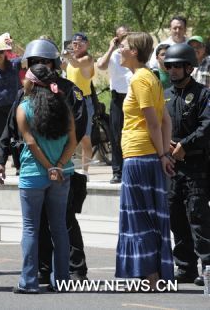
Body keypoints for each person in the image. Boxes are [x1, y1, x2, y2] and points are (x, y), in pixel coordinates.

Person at [0, 38, 89, 283]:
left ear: (54, 63)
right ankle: (43, 270)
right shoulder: (23, 97)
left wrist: (58, 162)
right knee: (42, 225)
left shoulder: (69, 92)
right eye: (34, 62)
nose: (39, 66)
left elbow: (76, 133)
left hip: (57, 167)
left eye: (43, 62)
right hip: (45, 168)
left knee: (65, 221)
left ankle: (74, 269)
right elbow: (10, 130)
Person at [6, 64, 76, 293]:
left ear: (33, 83)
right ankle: (62, 280)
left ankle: (28, 281)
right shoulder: (64, 107)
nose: (22, 82)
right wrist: (58, 166)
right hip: (62, 175)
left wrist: (48, 168)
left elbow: (31, 142)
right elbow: (72, 141)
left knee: (30, 229)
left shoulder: (23, 108)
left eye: (25, 79)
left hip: (33, 175)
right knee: (59, 228)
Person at [116, 32, 174, 288]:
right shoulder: (150, 78)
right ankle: (153, 273)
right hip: (147, 154)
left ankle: (150, 276)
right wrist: (163, 153)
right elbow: (165, 120)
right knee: (150, 215)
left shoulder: (140, 79)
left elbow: (155, 121)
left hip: (139, 155)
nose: (119, 48)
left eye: (124, 46)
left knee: (138, 217)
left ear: (135, 52)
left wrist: (162, 154)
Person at [163, 43, 210, 286]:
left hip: (196, 167)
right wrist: (166, 147)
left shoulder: (203, 94)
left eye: (177, 66)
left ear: (189, 67)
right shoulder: (165, 95)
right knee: (176, 218)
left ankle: (208, 268)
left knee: (198, 218)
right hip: (172, 167)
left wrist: (185, 146)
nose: (172, 70)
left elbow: (207, 126)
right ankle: (185, 267)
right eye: (168, 65)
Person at [96, 26, 132, 183]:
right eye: (121, 37)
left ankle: (130, 170)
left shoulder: (133, 53)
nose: (124, 39)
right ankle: (117, 171)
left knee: (132, 134)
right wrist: (111, 47)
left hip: (133, 96)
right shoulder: (113, 55)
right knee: (116, 135)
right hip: (118, 98)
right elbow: (101, 65)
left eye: (127, 36)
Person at [62, 32, 95, 176]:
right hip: (70, 101)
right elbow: (63, 66)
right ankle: (67, 168)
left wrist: (67, 56)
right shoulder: (71, 60)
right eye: (74, 44)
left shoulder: (87, 59)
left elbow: (76, 64)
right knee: (68, 136)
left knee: (85, 138)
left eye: (81, 44)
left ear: (87, 45)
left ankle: (84, 171)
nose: (77, 46)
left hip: (84, 101)